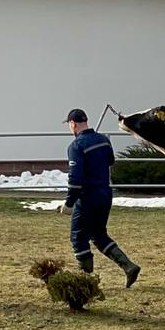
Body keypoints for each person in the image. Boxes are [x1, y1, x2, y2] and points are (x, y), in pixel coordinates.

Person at [59, 108, 140, 288]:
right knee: (98, 235)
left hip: (87, 197)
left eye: (69, 124)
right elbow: (110, 161)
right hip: (105, 194)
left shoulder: (76, 146)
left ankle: (85, 282)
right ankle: (129, 266)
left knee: (78, 238)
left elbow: (75, 178)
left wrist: (69, 203)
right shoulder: (103, 140)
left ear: (73, 123)